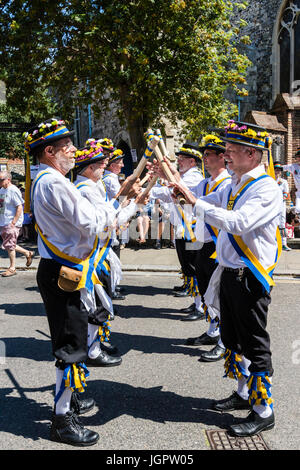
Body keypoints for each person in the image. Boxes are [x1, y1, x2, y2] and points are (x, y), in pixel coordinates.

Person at [25, 119, 139, 446]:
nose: (75, 151)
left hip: (62, 269)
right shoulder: (54, 183)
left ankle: (70, 402)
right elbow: (90, 223)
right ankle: (61, 420)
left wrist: (120, 206)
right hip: (62, 272)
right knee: (70, 348)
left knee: (72, 340)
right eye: (67, 147)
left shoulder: (49, 180)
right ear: (49, 151)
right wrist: (119, 206)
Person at [170, 120, 282, 437]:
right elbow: (209, 203)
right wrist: (177, 195)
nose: (226, 155)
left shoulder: (265, 188)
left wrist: (195, 204)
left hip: (250, 277)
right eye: (227, 150)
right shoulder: (232, 184)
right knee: (234, 339)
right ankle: (244, 393)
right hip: (230, 273)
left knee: (255, 343)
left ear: (251, 153)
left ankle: (263, 409)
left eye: (231, 150)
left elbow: (238, 222)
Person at [183, 135, 231, 358]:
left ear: (222, 157)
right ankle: (213, 330)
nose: (204, 159)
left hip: (217, 246)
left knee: (219, 294)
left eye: (208, 155)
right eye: (203, 155)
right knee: (206, 292)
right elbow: (190, 200)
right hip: (202, 244)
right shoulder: (204, 182)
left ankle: (224, 339)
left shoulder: (228, 183)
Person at [149, 143, 205, 320]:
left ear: (192, 161)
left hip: (193, 231)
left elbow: (171, 191)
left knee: (194, 268)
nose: (179, 161)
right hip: (185, 230)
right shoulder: (184, 176)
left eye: (182, 159)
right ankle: (197, 303)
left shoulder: (193, 177)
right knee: (189, 268)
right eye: (178, 158)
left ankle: (201, 307)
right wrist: (163, 174)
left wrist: (146, 192)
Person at [0, 170, 34, 277]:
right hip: (3, 221)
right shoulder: (2, 190)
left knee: (9, 246)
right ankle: (27, 253)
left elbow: (19, 207)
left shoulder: (13, 190)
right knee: (8, 244)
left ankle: (12, 268)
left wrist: (13, 222)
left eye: (1, 180)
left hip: (11, 222)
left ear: (8, 180)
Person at [274, 161, 291, 251]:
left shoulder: (283, 182)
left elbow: (286, 194)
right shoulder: (269, 180)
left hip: (281, 205)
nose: (277, 172)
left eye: (279, 170)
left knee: (282, 224)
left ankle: (284, 243)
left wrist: (280, 199)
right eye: (275, 170)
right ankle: (274, 243)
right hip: (271, 206)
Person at [282, 148, 300, 214]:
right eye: (298, 157)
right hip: (299, 192)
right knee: (298, 209)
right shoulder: (293, 167)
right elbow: (281, 167)